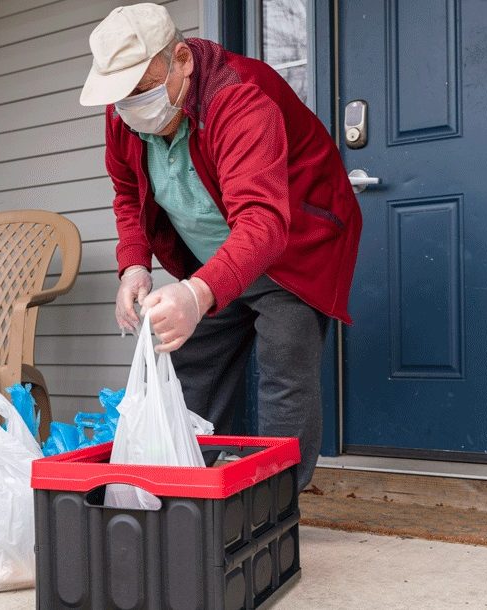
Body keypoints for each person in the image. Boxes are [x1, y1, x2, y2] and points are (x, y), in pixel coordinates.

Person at [79, 3, 362, 488]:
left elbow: (264, 220)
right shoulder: (123, 112)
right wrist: (133, 266)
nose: (130, 106)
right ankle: (195, 491)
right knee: (190, 366)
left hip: (294, 247)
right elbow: (127, 193)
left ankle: (276, 507)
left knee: (285, 378)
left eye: (143, 89)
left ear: (182, 60)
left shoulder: (239, 98)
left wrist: (195, 294)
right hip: (216, 257)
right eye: (121, 95)